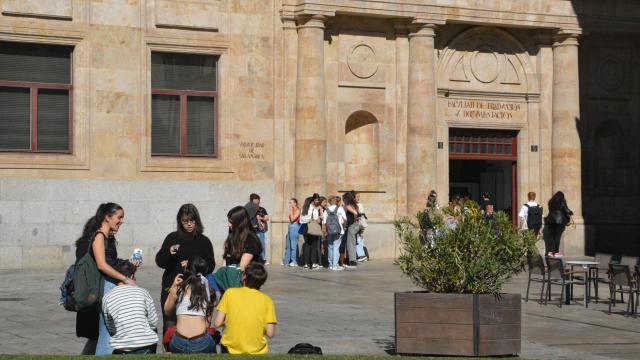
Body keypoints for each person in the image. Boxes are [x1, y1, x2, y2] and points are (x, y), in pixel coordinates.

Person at [83, 203, 136, 355]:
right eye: (119, 217)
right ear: (107, 217)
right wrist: (125, 280)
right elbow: (102, 265)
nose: (121, 221)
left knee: (112, 331)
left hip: (112, 287)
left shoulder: (108, 237)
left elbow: (111, 263)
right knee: (107, 333)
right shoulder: (99, 236)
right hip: (106, 288)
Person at [155, 204, 215, 335]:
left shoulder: (203, 241)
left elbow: (211, 265)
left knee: (194, 325)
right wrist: (169, 252)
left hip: (195, 290)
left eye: (192, 221)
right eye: (185, 221)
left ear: (197, 221)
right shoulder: (172, 238)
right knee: (170, 324)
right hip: (172, 286)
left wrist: (193, 264)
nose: (189, 224)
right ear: (180, 221)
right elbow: (160, 261)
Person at [214, 262, 277, 354]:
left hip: (229, 349)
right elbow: (270, 333)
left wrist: (230, 321)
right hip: (257, 351)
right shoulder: (267, 300)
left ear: (244, 276)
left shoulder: (229, 293)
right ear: (262, 282)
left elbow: (217, 323)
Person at [102, 260, 158, 355]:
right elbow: (153, 322)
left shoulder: (107, 297)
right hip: (146, 345)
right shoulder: (143, 292)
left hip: (122, 347)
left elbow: (110, 326)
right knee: (151, 328)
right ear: (132, 276)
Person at [164, 257, 216, 354]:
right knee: (214, 339)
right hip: (201, 343)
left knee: (168, 336)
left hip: (178, 342)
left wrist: (173, 287)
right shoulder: (209, 290)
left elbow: (167, 311)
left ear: (188, 270)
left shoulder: (180, 287)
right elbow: (207, 324)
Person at [223, 206, 264, 270]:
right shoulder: (232, 236)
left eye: (231, 222)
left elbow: (241, 268)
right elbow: (226, 260)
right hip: (230, 275)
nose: (229, 225)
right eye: (228, 221)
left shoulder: (251, 240)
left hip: (243, 277)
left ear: (240, 223)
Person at [545, 191, 574, 257]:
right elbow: (566, 210)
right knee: (557, 237)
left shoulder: (550, 202)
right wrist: (571, 212)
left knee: (551, 236)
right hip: (559, 222)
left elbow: (550, 210)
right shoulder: (562, 201)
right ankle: (556, 252)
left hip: (551, 220)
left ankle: (550, 252)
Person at [323, 196, 347, 271]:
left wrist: (325, 231)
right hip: (338, 230)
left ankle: (330, 265)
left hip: (329, 231)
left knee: (330, 247)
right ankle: (335, 265)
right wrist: (342, 223)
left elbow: (324, 222)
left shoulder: (326, 210)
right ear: (336, 201)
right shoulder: (340, 209)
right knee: (336, 247)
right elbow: (345, 219)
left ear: (329, 202)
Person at [300, 193, 323, 269]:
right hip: (312, 228)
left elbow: (301, 220)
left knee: (307, 245)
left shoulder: (304, 208)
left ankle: (306, 264)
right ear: (312, 201)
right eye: (316, 200)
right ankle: (313, 263)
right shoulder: (314, 209)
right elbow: (318, 220)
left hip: (305, 228)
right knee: (314, 245)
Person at [245, 194, 270, 264]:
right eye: (255, 200)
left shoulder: (262, 209)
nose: (257, 202)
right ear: (251, 201)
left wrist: (260, 218)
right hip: (251, 230)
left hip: (260, 230)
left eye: (258, 200)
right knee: (252, 245)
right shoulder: (248, 209)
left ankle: (263, 259)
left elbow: (267, 218)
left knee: (262, 244)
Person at [342, 191, 360, 269]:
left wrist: (355, 219)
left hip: (352, 226)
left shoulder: (348, 205)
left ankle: (352, 261)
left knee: (350, 244)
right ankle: (350, 260)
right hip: (354, 226)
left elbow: (355, 213)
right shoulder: (355, 205)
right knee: (351, 243)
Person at [283, 198, 300, 267]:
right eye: (289, 203)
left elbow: (293, 219)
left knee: (293, 245)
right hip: (290, 226)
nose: (290, 204)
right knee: (288, 245)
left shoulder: (298, 210)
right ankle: (286, 261)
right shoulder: (292, 210)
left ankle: (294, 261)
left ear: (295, 203)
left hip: (295, 226)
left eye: (291, 203)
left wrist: (290, 211)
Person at [354, 191, 368, 262]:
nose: (358, 198)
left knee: (358, 240)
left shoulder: (359, 205)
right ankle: (361, 255)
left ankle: (361, 255)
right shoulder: (357, 205)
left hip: (359, 224)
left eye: (359, 196)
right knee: (359, 239)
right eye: (357, 196)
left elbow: (360, 216)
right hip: (359, 224)